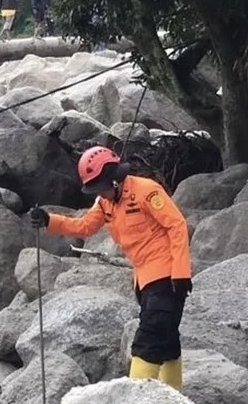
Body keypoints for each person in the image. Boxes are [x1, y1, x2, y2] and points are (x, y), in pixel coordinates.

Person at [29, 147, 192, 391]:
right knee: (167, 343)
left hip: (167, 279)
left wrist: (180, 274)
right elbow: (85, 226)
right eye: (96, 190)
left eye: (102, 188)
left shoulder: (146, 191)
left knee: (147, 343)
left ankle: (134, 396)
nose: (100, 194)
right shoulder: (105, 202)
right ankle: (175, 397)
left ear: (115, 180)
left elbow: (177, 225)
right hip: (145, 281)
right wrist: (49, 220)